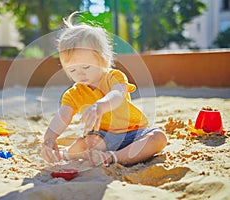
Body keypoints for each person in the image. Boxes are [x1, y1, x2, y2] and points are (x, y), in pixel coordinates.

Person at [41, 12, 167, 166]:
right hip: (101, 137)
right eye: (72, 70)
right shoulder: (74, 94)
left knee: (158, 137)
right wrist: (49, 138)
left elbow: (117, 94)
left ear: (102, 60)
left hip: (133, 132)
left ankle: (114, 157)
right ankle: (66, 154)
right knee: (88, 143)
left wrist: (100, 106)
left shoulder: (114, 77)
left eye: (86, 67)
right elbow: (63, 116)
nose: (79, 73)